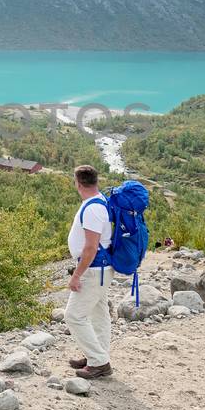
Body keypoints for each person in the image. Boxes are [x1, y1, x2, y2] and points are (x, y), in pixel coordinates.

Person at [65, 163, 121, 380]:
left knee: (73, 316)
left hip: (94, 270)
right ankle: (95, 356)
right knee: (99, 314)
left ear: (78, 183)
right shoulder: (99, 203)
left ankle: (99, 362)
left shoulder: (93, 208)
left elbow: (90, 247)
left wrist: (76, 275)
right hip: (101, 269)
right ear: (96, 181)